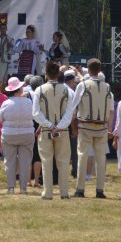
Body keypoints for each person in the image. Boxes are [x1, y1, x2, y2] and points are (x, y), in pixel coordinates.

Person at [70, 58, 113, 199]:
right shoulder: (107, 87)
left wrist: (73, 126)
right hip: (101, 127)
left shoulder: (83, 85)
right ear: (99, 70)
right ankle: (100, 190)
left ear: (88, 70)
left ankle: (80, 189)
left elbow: (74, 107)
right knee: (101, 158)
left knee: (82, 156)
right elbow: (110, 109)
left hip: (85, 126)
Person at [33, 62, 73, 200]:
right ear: (58, 74)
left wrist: (49, 125)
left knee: (46, 161)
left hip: (46, 130)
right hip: (63, 130)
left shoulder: (39, 90)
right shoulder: (68, 90)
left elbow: (36, 113)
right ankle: (64, 192)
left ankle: (48, 192)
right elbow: (70, 112)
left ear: (46, 74)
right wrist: (59, 125)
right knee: (63, 161)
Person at [0, 77, 34, 194]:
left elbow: (0, 119)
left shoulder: (6, 103)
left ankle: (11, 187)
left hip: (9, 134)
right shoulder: (29, 102)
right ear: (20, 89)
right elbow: (33, 116)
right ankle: (23, 188)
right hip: (27, 134)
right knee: (25, 161)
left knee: (9, 161)